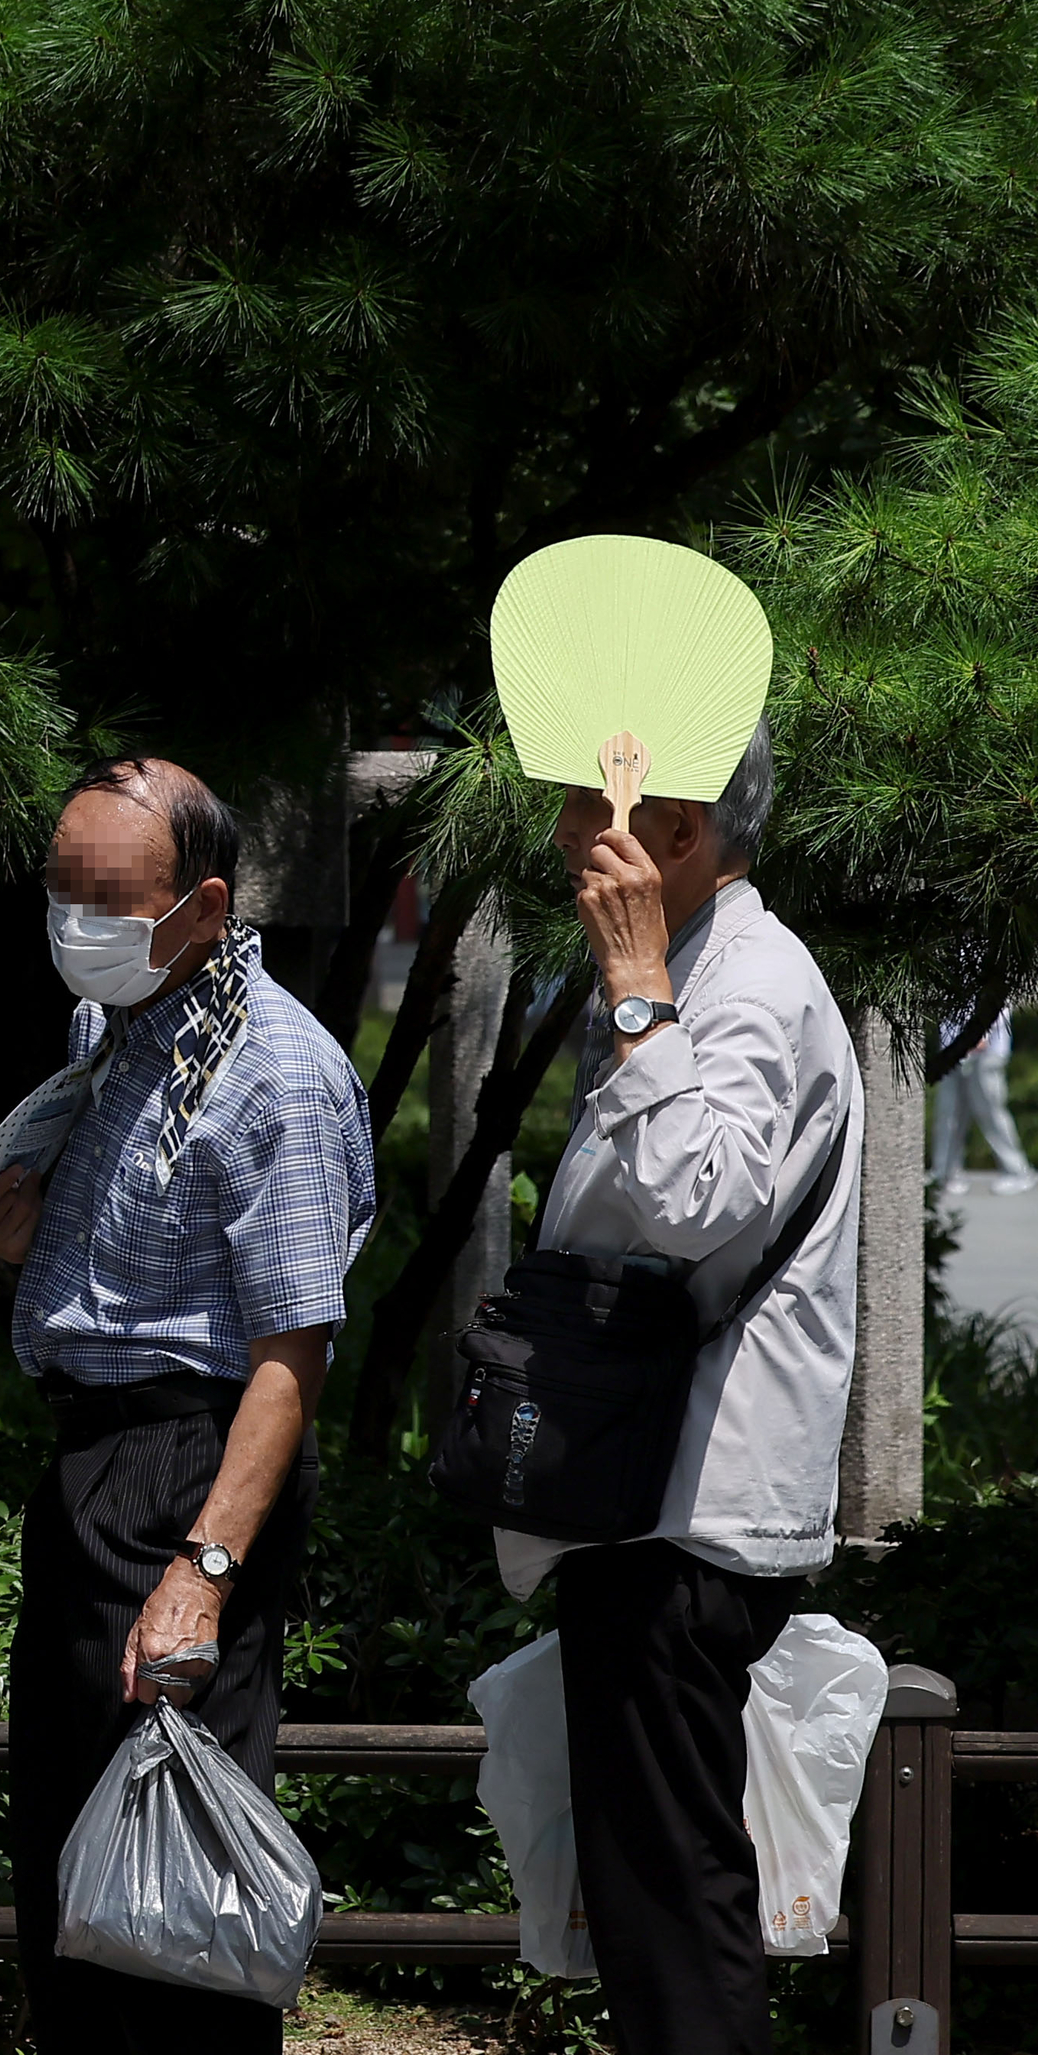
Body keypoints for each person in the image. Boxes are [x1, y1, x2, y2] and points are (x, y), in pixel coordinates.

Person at [0, 760, 377, 2054]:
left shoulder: (278, 1074)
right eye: (60, 888)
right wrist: (33, 1250)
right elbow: (153, 1267)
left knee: (173, 1907)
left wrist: (205, 1563)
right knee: (77, 1886)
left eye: (109, 898)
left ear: (203, 903)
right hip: (93, 1465)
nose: (77, 920)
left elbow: (289, 1354)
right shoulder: (120, 1022)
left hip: (190, 1473)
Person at [499, 723, 858, 2055]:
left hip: (685, 1510)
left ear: (680, 835)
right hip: (662, 1494)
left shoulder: (746, 981)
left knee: (675, 1904)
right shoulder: (719, 962)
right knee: (658, 1894)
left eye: (587, 815)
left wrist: (642, 994)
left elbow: (702, 1196)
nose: (559, 842)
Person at [932, 1003, 1029, 1186]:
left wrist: (981, 1035)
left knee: (990, 1113)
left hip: (985, 1053)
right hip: (952, 1051)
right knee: (949, 1113)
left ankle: (1017, 1171)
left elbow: (999, 1004)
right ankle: (945, 1173)